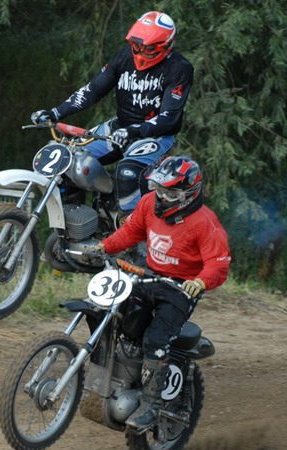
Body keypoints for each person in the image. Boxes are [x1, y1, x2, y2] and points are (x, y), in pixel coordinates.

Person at [93, 156, 230, 429]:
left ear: (189, 193)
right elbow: (130, 231)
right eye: (159, 189)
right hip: (150, 275)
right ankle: (111, 372)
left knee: (156, 339)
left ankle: (151, 405)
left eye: (171, 193)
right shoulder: (148, 204)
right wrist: (104, 246)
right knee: (115, 312)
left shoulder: (205, 222)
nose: (163, 197)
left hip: (181, 287)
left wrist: (200, 282)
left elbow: (218, 263)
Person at [30, 11, 193, 213]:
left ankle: (133, 228)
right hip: (119, 127)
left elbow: (170, 118)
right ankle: (74, 222)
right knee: (66, 161)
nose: (140, 51)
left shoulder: (179, 68)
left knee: (127, 174)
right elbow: (93, 90)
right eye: (136, 45)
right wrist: (55, 113)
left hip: (155, 136)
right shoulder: (125, 55)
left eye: (148, 47)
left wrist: (133, 131)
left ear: (166, 45)